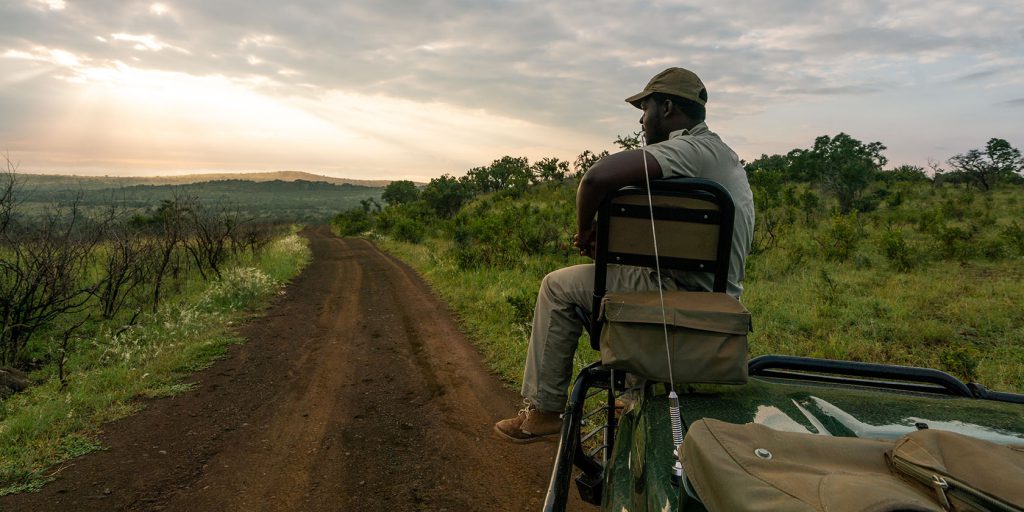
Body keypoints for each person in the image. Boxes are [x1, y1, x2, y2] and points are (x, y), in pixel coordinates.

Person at [493, 67, 755, 443]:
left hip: (681, 293)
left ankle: (544, 409)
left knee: (556, 286)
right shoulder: (718, 156)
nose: (641, 119)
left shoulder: (691, 150)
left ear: (667, 108)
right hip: (713, 294)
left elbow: (596, 178)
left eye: (645, 108)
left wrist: (586, 231)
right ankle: (633, 394)